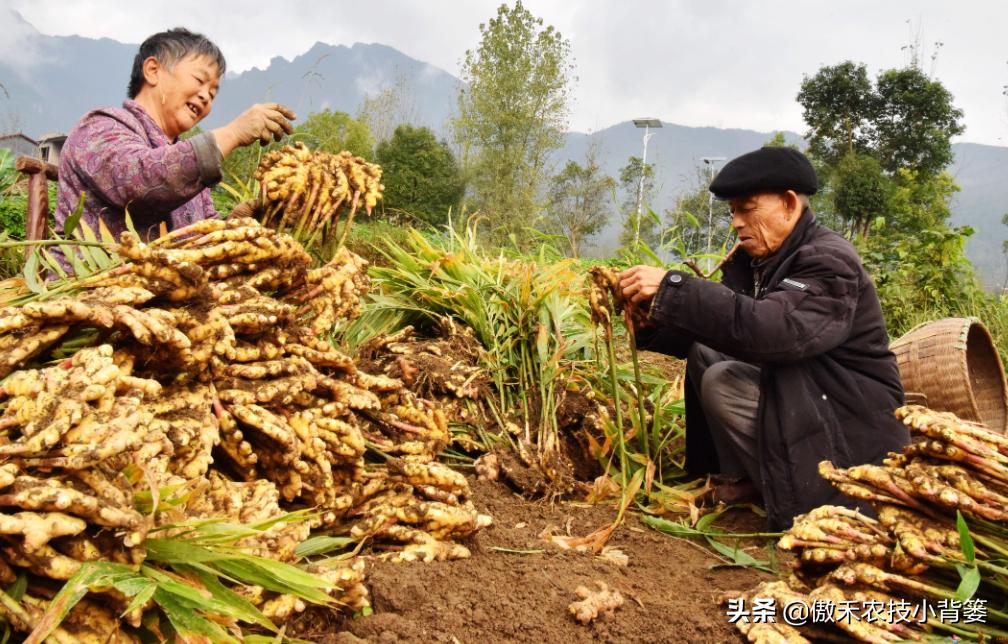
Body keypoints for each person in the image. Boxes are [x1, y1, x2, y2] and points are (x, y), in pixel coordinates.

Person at [618, 146, 910, 530]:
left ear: (788, 203)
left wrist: (675, 287)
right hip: (805, 393)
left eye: (747, 209)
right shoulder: (762, 261)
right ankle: (745, 480)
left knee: (722, 381)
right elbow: (723, 326)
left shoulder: (827, 260)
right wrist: (648, 317)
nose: (736, 223)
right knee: (706, 352)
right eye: (732, 213)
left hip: (844, 420)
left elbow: (775, 331)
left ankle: (795, 494)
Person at [55, 27, 297, 244]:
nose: (206, 96)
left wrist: (238, 222)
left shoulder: (191, 174)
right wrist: (232, 133)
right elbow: (139, 182)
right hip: (96, 288)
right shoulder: (98, 129)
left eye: (213, 94)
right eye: (200, 80)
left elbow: (203, 237)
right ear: (153, 71)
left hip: (165, 290)